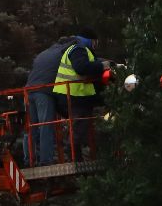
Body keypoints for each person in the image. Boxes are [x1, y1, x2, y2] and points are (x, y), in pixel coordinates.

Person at [51, 28, 109, 159]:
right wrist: (103, 66)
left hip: (74, 95)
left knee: (80, 126)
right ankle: (74, 155)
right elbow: (82, 67)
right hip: (73, 95)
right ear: (90, 40)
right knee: (79, 126)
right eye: (95, 42)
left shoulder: (77, 49)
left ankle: (77, 155)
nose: (95, 45)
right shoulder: (78, 49)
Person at [25, 36, 73, 165]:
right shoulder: (66, 51)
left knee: (31, 127)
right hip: (43, 91)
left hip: (28, 91)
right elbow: (80, 63)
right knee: (45, 125)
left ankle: (29, 159)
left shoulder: (45, 52)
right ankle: (46, 160)